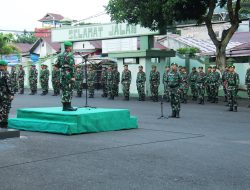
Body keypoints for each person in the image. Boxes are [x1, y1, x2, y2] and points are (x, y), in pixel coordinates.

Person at [55, 41, 77, 111]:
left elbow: (57, 66)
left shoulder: (60, 55)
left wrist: (63, 67)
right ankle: (69, 106)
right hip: (69, 75)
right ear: (69, 47)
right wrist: (73, 76)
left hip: (63, 74)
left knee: (64, 90)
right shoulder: (70, 55)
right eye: (71, 47)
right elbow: (72, 67)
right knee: (69, 90)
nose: (71, 48)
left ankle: (64, 107)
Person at [0, 60, 14, 128]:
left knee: (0, 108)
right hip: (5, 94)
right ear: (4, 66)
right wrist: (12, 94)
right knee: (5, 108)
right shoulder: (6, 73)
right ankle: (4, 123)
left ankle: (1, 121)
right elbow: (9, 84)